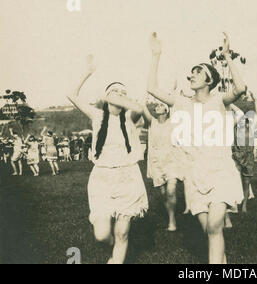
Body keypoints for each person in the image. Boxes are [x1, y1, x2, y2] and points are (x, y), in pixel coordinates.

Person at [147, 32, 246, 264]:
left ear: (209, 80)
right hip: (193, 174)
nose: (191, 75)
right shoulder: (181, 102)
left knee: (214, 226)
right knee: (211, 233)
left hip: (220, 170)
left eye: (197, 71)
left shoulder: (219, 100)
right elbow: (152, 88)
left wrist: (227, 56)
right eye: (191, 72)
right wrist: (156, 55)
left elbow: (240, 88)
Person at [67, 54, 149, 264]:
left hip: (128, 176)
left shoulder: (131, 117)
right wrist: (88, 71)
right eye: (116, 92)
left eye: (124, 93)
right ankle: (115, 249)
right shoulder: (97, 116)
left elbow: (139, 108)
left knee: (122, 232)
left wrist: (117, 96)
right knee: (102, 235)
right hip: (102, 177)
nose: (120, 96)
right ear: (106, 96)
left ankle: (117, 259)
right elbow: (71, 94)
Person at [146, 100, 184, 232]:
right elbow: (143, 110)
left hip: (172, 160)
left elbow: (175, 105)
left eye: (162, 105)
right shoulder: (152, 123)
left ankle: (172, 221)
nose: (158, 106)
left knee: (171, 190)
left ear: (167, 111)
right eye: (157, 105)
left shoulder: (172, 122)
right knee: (163, 194)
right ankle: (170, 217)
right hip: (157, 162)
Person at [230, 91, 257, 213]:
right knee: (235, 181)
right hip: (237, 156)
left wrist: (256, 101)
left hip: (248, 157)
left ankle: (245, 205)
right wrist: (229, 102)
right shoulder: (234, 128)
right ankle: (234, 205)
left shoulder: (251, 128)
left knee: (246, 182)